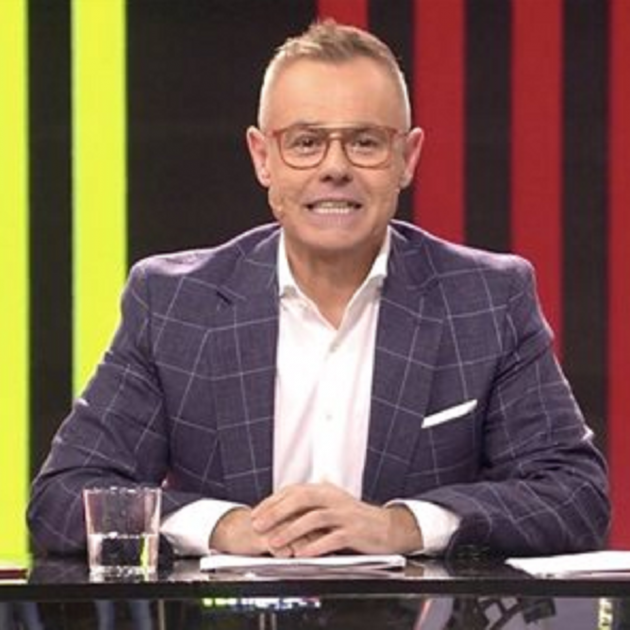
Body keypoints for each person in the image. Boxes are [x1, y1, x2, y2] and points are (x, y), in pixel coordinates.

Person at [28, 20, 609, 560]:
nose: (335, 167)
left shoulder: (487, 299)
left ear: (407, 158)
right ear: (263, 157)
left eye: (365, 142)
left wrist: (403, 526)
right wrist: (223, 527)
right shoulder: (175, 303)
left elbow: (574, 495)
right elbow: (63, 498)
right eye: (306, 142)